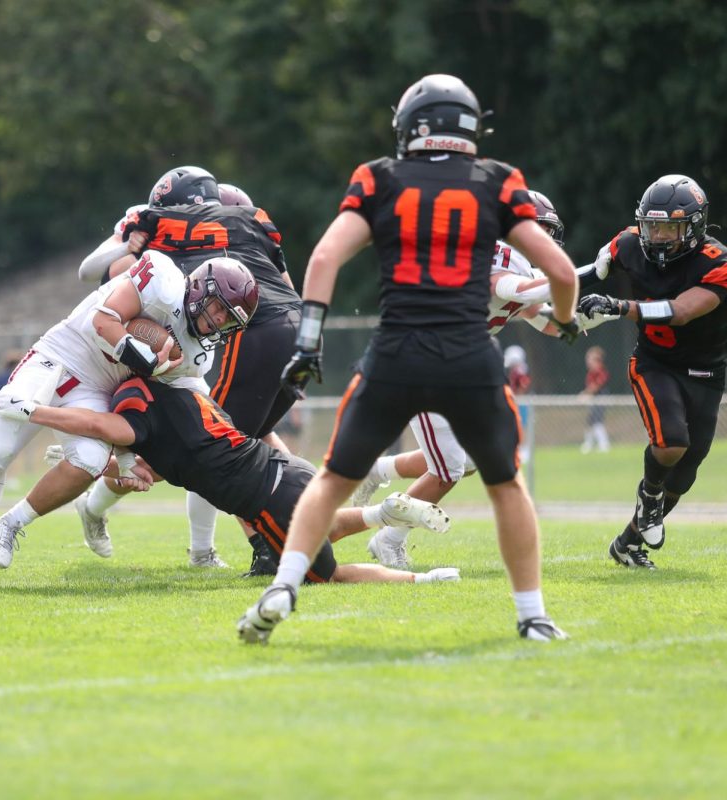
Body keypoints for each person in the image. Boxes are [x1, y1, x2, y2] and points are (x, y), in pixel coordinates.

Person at [237, 74, 580, 645]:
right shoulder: (498, 181)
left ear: (409, 128)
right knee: (505, 486)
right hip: (470, 358)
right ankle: (532, 615)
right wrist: (564, 318)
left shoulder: (379, 177)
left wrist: (308, 343)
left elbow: (324, 258)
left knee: (330, 480)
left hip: (395, 352)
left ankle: (283, 587)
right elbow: (562, 274)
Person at [0, 252, 259, 589]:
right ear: (202, 287)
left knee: (89, 460)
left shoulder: (196, 358)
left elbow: (139, 400)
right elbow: (103, 322)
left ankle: (13, 523)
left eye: (228, 320)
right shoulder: (163, 281)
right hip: (60, 357)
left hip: (97, 391)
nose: (219, 321)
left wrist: (127, 459)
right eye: (218, 308)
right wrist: (146, 358)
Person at [0, 375, 460, 585]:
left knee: (328, 573)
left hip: (266, 502)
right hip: (287, 466)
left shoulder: (140, 425)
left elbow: (103, 429)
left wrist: (33, 411)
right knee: (326, 525)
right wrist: (121, 466)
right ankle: (384, 511)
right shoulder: (189, 395)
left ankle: (423, 579)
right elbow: (154, 465)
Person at [79, 167, 303, 569]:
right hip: (152, 352)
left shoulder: (180, 227)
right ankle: (241, 542)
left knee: (226, 442)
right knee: (217, 444)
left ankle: (275, 528)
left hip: (205, 350)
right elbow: (107, 278)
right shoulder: (248, 222)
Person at [354, 190, 573, 568]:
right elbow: (511, 289)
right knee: (448, 468)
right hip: (424, 361)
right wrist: (583, 274)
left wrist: (590, 313)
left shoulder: (512, 263)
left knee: (468, 459)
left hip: (453, 365)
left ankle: (379, 470)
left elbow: (545, 319)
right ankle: (387, 539)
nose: (547, 243)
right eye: (542, 231)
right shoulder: (499, 258)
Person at [577, 174, 727, 570]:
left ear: (695, 226)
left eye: (670, 227)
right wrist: (543, 290)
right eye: (652, 225)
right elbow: (586, 275)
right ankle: (649, 496)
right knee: (670, 443)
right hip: (655, 362)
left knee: (683, 477)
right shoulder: (630, 244)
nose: (659, 235)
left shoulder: (721, 264)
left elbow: (680, 312)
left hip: (706, 371)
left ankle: (628, 543)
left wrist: (618, 307)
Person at [580, 346, 610, 453]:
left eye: (590, 359)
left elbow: (596, 386)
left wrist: (585, 394)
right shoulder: (590, 373)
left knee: (597, 421)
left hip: (601, 398)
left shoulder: (601, 372)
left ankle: (604, 444)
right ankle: (588, 443)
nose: (588, 362)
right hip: (594, 400)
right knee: (591, 421)